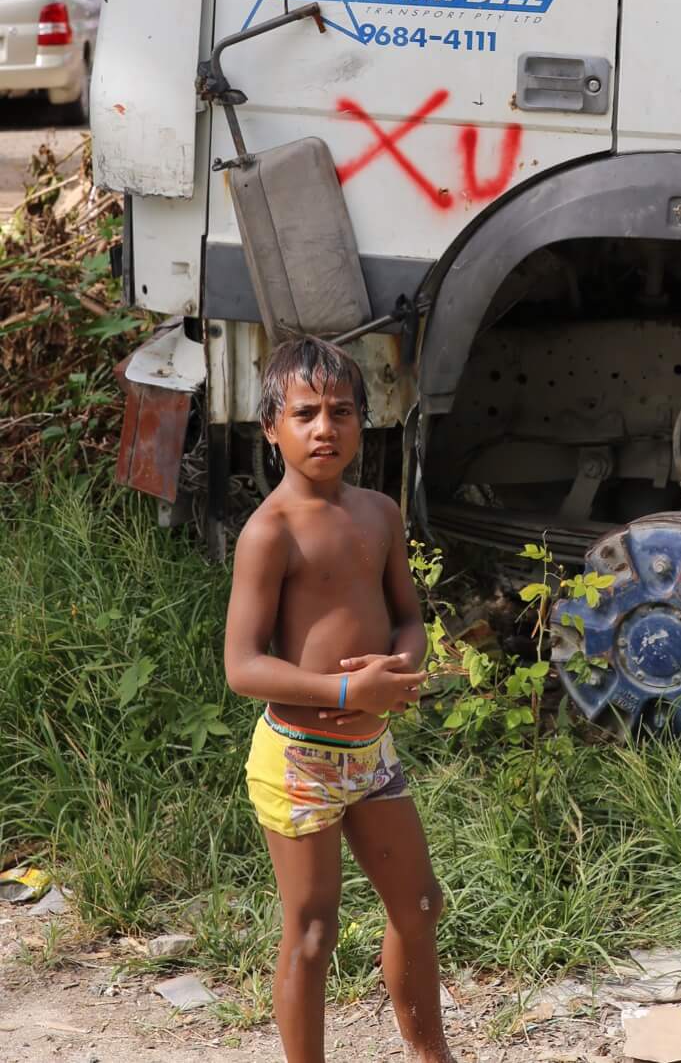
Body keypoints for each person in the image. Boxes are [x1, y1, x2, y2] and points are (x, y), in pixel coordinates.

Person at [224, 338, 452, 1063]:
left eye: (342, 412)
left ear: (363, 423)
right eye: (305, 413)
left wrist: (404, 666)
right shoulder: (271, 532)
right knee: (313, 932)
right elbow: (243, 666)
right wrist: (348, 688)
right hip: (298, 760)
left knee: (420, 906)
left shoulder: (380, 513)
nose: (325, 428)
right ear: (272, 427)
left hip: (370, 755)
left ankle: (430, 1054)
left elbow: (409, 616)